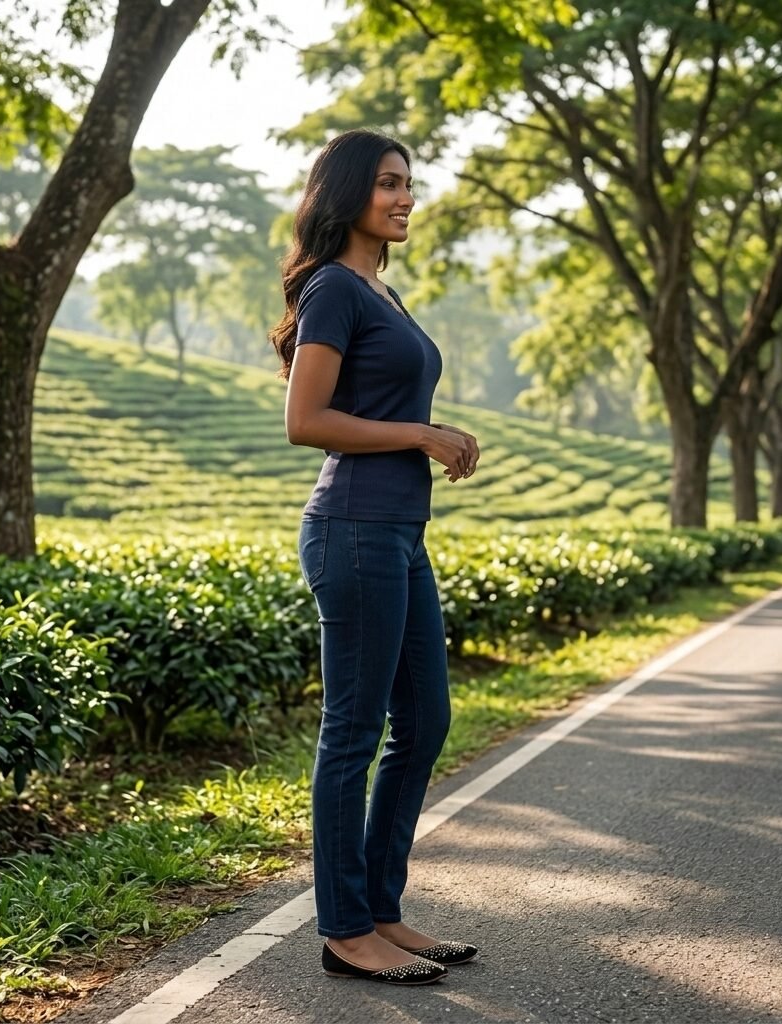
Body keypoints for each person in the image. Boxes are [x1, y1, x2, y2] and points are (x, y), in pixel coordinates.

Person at [269, 128, 481, 986]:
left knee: (424, 722)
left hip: (398, 532)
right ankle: (346, 930)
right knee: (353, 733)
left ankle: (383, 910)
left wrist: (430, 432)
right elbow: (305, 421)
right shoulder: (332, 288)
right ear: (349, 190)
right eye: (388, 182)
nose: (404, 198)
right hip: (353, 528)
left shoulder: (380, 292)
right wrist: (423, 435)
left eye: (408, 184)